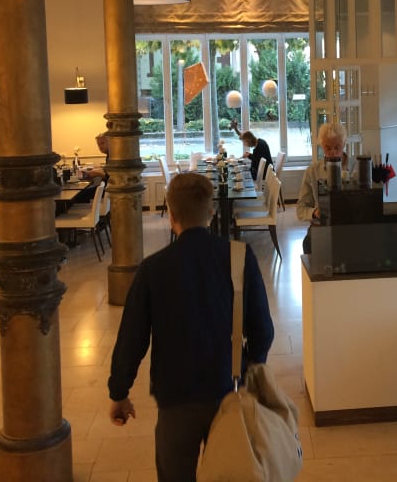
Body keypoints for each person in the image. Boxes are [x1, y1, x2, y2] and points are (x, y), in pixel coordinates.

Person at [107, 171, 274, 481]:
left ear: (171, 215)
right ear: (211, 211)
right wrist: (249, 367)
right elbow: (263, 330)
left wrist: (119, 392)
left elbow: (132, 339)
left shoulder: (152, 268)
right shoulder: (239, 257)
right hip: (227, 388)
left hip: (175, 396)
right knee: (229, 473)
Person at [296, 121, 348, 254]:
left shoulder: (358, 167)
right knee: (310, 244)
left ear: (344, 144)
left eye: (337, 147)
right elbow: (301, 209)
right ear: (321, 147)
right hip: (321, 229)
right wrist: (315, 212)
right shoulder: (313, 171)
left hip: (350, 229)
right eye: (328, 148)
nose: (333, 153)